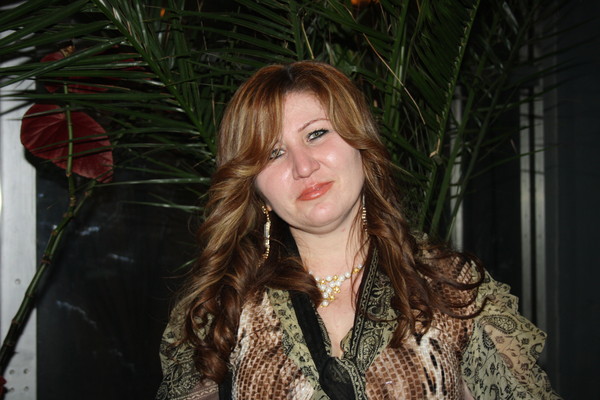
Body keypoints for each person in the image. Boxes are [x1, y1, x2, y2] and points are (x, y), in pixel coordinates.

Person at [156, 61, 560, 399]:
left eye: (316, 134)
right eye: (273, 153)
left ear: (360, 144)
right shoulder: (219, 308)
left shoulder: (450, 288)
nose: (303, 166)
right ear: (255, 186)